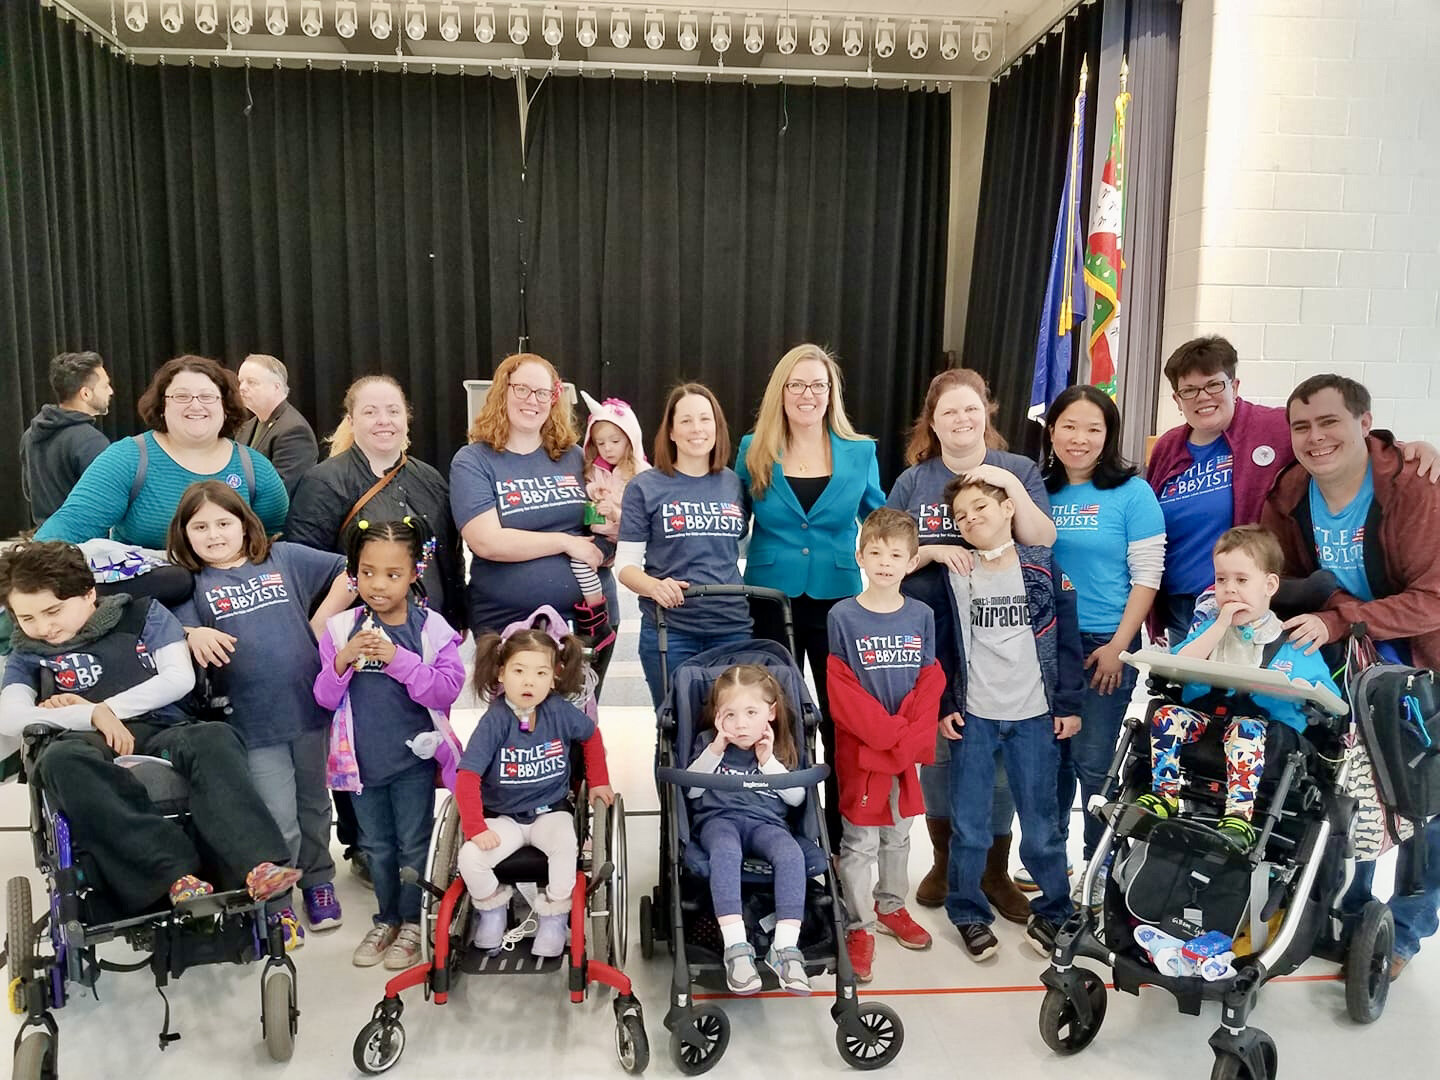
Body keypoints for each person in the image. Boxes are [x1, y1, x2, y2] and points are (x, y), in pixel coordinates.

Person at [0, 541, 301, 914]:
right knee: (60, 760)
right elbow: (11, 717)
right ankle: (175, 875)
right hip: (81, 744)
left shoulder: (142, 615)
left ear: (89, 592)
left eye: (53, 611)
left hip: (161, 728)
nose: (43, 628)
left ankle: (257, 864)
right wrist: (91, 717)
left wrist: (105, 707)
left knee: (214, 736)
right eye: (27, 619)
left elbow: (178, 679)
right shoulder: (26, 651)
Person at [1261, 373, 1440, 980]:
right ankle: (1353, 911)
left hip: (1422, 662)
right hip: (1344, 667)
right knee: (1346, 791)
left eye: (1330, 421)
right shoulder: (1289, 492)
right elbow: (1280, 579)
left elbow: (1434, 598)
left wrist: (1342, 617)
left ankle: (1408, 931)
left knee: (1422, 803)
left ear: (1365, 423)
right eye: (1302, 426)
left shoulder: (1413, 486)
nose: (1316, 438)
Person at [888, 368, 1055, 921]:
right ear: (932, 424)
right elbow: (888, 551)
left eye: (970, 409)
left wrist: (1003, 484)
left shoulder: (1019, 470)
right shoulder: (915, 480)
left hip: (1002, 637)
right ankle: (946, 861)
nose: (961, 420)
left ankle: (993, 870)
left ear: (988, 411)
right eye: (948, 413)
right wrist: (935, 552)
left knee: (1003, 761)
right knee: (939, 748)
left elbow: (1042, 538)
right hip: (932, 633)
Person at [285, 374, 466, 882]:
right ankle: (363, 841)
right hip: (357, 626)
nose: (383, 421)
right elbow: (307, 560)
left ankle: (413, 835)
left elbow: (448, 556)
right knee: (356, 733)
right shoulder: (326, 481)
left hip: (422, 625)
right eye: (370, 412)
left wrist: (460, 616)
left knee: (420, 728)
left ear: (407, 417)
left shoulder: (429, 478)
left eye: (392, 411)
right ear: (352, 419)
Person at [1147, 336, 1440, 644]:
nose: (1202, 397)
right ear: (1177, 399)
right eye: (1189, 390)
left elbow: (1346, 442)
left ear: (1234, 386)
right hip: (1182, 605)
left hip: (1252, 602)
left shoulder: (1271, 427)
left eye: (1213, 385)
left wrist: (1408, 451)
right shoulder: (1169, 446)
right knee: (1188, 690)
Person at [168, 481, 355, 949]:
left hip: (309, 709)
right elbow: (162, 625)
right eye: (201, 526)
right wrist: (189, 632)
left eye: (223, 523)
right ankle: (278, 902)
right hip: (251, 722)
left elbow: (349, 572)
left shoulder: (282, 557)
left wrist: (318, 624)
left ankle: (318, 881)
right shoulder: (193, 584)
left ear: (244, 523)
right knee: (277, 815)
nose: (214, 534)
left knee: (314, 807)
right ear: (184, 534)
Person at [735, 344, 885, 850]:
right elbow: (728, 518)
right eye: (796, 384)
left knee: (842, 719)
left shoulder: (859, 451)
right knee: (774, 716)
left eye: (817, 385)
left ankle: (838, 834)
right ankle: (779, 828)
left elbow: (879, 521)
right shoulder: (753, 447)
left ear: (831, 393)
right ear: (781, 390)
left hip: (837, 599)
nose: (807, 394)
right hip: (768, 600)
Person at [937, 474, 1082, 961]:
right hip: (974, 714)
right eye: (960, 516)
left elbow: (1066, 640)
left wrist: (1068, 705)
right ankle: (968, 912)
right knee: (970, 825)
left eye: (980, 507)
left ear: (1007, 508)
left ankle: (1056, 910)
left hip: (1035, 715)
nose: (970, 519)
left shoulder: (1041, 566)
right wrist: (945, 705)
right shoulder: (956, 570)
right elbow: (943, 646)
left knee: (1041, 825)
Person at [314, 519, 465, 970]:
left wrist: (399, 660)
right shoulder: (341, 629)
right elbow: (323, 697)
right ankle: (387, 918)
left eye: (392, 574)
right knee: (376, 845)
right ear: (353, 573)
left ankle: (415, 921)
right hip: (359, 763)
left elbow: (446, 690)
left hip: (411, 760)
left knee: (414, 843)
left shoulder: (432, 629)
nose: (377, 585)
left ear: (416, 572)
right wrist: (341, 661)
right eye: (367, 572)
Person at [1135, 526, 1340, 851]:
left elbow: (1330, 701)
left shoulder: (1292, 644)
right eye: (1221, 580)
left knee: (1246, 728)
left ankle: (1238, 817)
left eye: (1242, 581)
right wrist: (1218, 626)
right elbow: (1178, 665)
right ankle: (1164, 797)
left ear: (1270, 585)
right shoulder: (1208, 630)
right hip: (1207, 725)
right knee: (1166, 715)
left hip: (1265, 738)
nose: (1229, 590)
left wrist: (1298, 689)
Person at [1042, 385, 1166, 901]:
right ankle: (1049, 865)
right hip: (1045, 642)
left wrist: (1120, 646)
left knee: (1093, 762)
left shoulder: (1133, 494)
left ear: (1109, 435)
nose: (1080, 438)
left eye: (1094, 428)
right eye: (1069, 425)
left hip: (1103, 643)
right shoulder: (1036, 489)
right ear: (1052, 430)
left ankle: (1099, 868)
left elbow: (1148, 576)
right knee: (1049, 763)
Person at [826, 508, 945, 982]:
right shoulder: (843, 616)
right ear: (860, 556)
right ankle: (859, 925)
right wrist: (887, 734)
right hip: (862, 753)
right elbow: (842, 688)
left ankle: (892, 906)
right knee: (859, 841)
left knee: (898, 833)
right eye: (875, 552)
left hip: (901, 753)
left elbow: (929, 680)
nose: (885, 561)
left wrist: (905, 737)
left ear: (912, 560)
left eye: (896, 554)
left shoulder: (921, 614)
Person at [456, 627, 614, 958]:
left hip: (550, 811)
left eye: (540, 673)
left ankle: (554, 918)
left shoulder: (558, 711)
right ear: (501, 673)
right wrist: (475, 827)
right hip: (504, 818)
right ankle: (492, 911)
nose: (529, 682)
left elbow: (591, 736)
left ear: (554, 678)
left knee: (565, 847)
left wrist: (598, 780)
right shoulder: (496, 720)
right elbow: (468, 775)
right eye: (519, 671)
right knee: (470, 858)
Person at [451, 354, 617, 666]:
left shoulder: (575, 456)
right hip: (508, 622)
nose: (533, 401)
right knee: (518, 715)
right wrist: (564, 542)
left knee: (577, 716)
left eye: (543, 393)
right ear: (503, 390)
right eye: (522, 389)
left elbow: (598, 529)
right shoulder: (473, 461)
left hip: (585, 625)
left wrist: (611, 527)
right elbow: (487, 541)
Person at [35, 355, 288, 550]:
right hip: (150, 602)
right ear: (162, 406)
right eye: (181, 396)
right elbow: (71, 525)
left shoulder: (254, 468)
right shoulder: (127, 459)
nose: (195, 405)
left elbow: (275, 541)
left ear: (225, 407)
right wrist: (26, 574)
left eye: (208, 396)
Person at [617, 383, 752, 707]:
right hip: (671, 631)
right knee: (676, 733)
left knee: (733, 730)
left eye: (705, 419)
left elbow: (739, 548)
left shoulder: (733, 483)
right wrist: (653, 586)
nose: (697, 429)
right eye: (686, 420)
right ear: (672, 431)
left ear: (717, 428)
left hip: (732, 628)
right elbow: (625, 566)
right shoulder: (645, 487)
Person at [686, 663, 812, 995]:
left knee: (791, 854)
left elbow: (797, 798)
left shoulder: (781, 748)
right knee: (725, 852)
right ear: (717, 716)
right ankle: (736, 947)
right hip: (718, 821)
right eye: (729, 714)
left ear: (770, 713)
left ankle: (784, 948)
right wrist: (715, 749)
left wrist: (768, 761)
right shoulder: (708, 744)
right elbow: (692, 791)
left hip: (766, 822)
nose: (740, 724)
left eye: (751, 712)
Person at [569, 391, 649, 628]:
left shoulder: (642, 474)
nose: (608, 449)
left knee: (580, 562)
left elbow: (645, 523)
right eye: (600, 443)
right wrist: (592, 491)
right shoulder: (595, 468)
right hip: (597, 533)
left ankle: (596, 607)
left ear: (631, 438)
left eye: (615, 441)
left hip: (619, 541)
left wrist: (615, 514)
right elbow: (589, 490)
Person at [21, 351, 114, 527]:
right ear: (85, 394)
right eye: (105, 386)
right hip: (82, 546)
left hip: (45, 544)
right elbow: (107, 502)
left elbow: (29, 492)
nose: (111, 391)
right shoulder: (91, 441)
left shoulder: (29, 435)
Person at [236, 354, 320, 496]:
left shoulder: (294, 431)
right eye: (241, 381)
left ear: (276, 387)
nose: (242, 388)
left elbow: (280, 491)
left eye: (251, 382)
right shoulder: (247, 427)